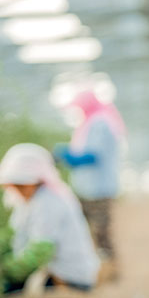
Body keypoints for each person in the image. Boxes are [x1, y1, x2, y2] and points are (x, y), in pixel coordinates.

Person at [0, 143, 100, 293]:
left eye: (22, 185)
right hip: (57, 272)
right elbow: (13, 233)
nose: (18, 190)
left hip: (71, 279)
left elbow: (40, 252)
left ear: (38, 180)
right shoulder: (29, 200)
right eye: (15, 185)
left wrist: (2, 269)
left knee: (12, 290)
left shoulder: (49, 202)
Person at [53, 90, 125, 277]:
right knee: (86, 230)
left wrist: (68, 156)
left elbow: (93, 155)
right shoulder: (90, 123)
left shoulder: (99, 123)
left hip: (98, 188)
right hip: (88, 188)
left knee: (100, 231)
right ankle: (98, 270)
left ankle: (111, 271)